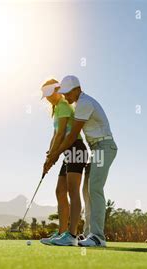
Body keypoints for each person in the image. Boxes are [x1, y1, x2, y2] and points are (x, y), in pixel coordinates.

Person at [44, 76, 117, 247]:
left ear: (77, 89)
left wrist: (55, 155)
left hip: (104, 147)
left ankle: (98, 236)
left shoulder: (84, 103)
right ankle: (88, 235)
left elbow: (70, 136)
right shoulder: (78, 104)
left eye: (67, 93)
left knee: (95, 189)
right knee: (86, 191)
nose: (65, 97)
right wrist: (53, 154)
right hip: (95, 149)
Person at [39, 78, 88, 246]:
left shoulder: (64, 106)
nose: (48, 98)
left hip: (76, 148)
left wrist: (53, 157)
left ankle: (72, 235)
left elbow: (61, 134)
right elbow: (55, 136)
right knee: (60, 191)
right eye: (45, 95)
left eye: (49, 94)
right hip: (67, 152)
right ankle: (62, 233)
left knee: (73, 191)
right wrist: (49, 156)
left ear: (57, 90)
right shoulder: (57, 108)